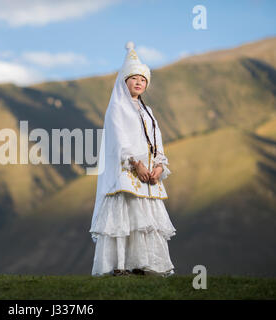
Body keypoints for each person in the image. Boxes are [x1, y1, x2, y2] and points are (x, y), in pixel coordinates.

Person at [89, 41, 176, 277]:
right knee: (123, 217)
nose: (139, 82)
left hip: (147, 174)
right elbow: (119, 139)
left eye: (143, 79)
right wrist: (134, 163)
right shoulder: (117, 108)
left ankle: (141, 264)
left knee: (142, 219)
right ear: (124, 81)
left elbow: (156, 139)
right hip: (126, 171)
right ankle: (119, 265)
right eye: (134, 78)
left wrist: (159, 165)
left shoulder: (149, 112)